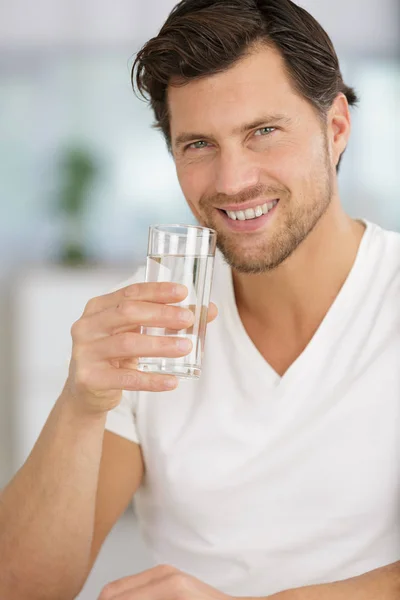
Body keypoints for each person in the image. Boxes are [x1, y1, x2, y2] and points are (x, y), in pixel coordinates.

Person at [1, 0, 399, 598]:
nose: (232, 181)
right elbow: (23, 586)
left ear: (335, 128)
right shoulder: (155, 324)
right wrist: (82, 404)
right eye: (198, 145)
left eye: (264, 132)